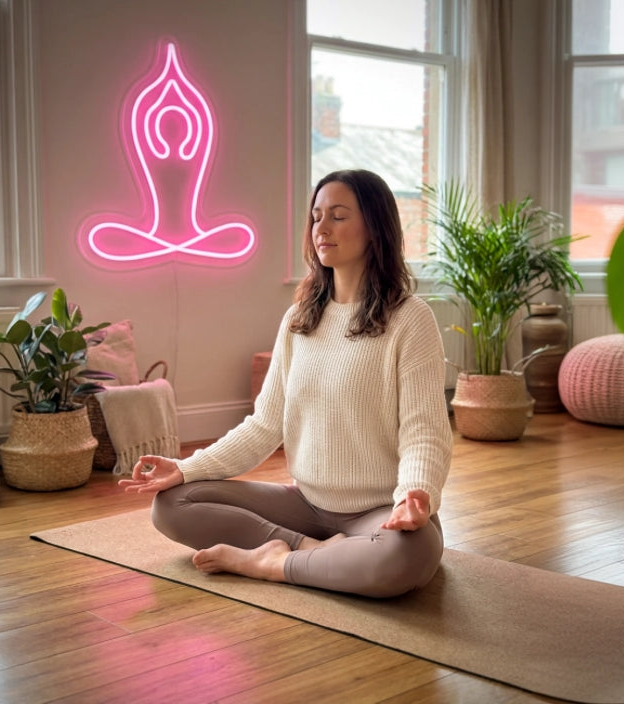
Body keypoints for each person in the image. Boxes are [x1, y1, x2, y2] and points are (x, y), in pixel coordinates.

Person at [119, 169, 453, 598]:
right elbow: (264, 426)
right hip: (306, 505)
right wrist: (186, 468)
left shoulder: (411, 319)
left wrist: (415, 494)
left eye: (338, 215)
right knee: (171, 504)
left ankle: (275, 563)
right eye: (316, 217)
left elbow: (424, 429)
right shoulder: (299, 319)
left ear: (375, 227)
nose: (322, 229)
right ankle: (307, 551)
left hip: (379, 511)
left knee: (409, 555)